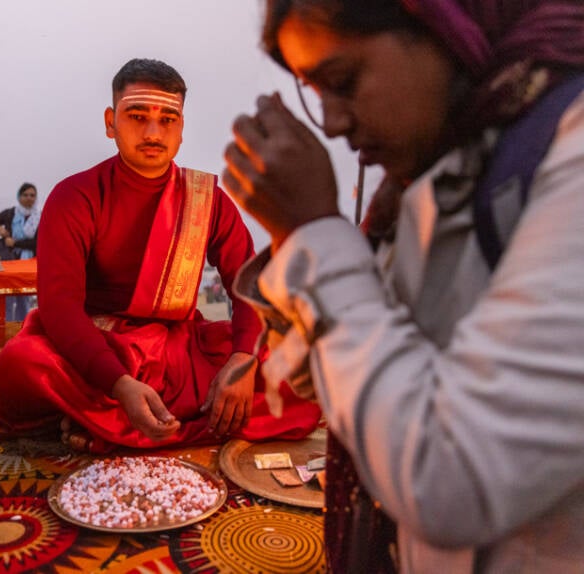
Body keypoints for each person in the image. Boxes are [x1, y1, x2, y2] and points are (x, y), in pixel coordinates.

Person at [223, 1, 584, 572]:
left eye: (343, 82)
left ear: (447, 25)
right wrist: (294, 237)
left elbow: (453, 479)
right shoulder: (436, 170)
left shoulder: (567, 147)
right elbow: (342, 385)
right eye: (316, 96)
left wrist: (314, 233)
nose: (335, 125)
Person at [0, 58, 321, 453]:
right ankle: (135, 422)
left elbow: (250, 287)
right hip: (101, 348)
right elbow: (59, 307)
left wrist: (242, 359)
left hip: (180, 350)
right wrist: (119, 383)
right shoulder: (75, 197)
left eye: (168, 119)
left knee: (297, 366)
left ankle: (102, 426)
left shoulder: (206, 200)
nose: (153, 132)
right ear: (111, 122)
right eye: (137, 116)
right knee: (24, 359)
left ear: (181, 129)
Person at [0, 182, 40, 321]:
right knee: (7, 295)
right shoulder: (11, 213)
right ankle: (7, 326)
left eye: (32, 195)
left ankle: (22, 327)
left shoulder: (40, 218)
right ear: (19, 197)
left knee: (24, 298)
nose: (29, 198)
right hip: (10, 260)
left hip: (29, 262)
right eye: (25, 195)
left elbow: (39, 242)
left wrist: (16, 242)